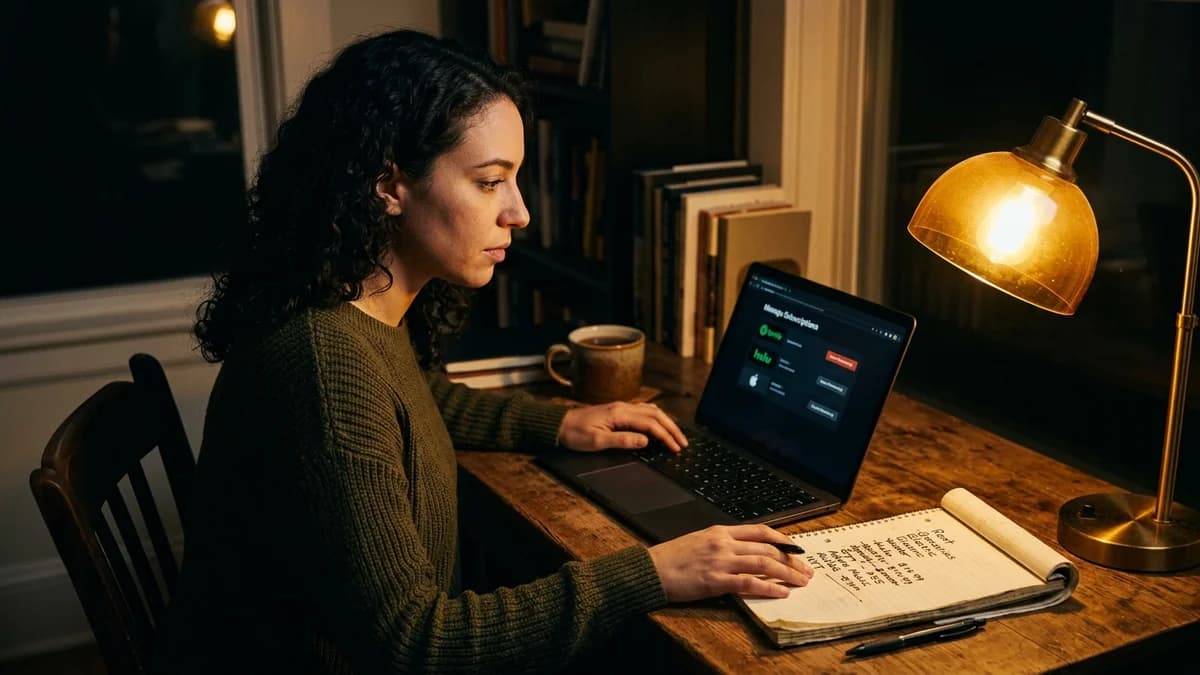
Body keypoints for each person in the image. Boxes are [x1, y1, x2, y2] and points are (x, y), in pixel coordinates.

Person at [153, 28, 813, 674]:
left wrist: (560, 423)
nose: (519, 213)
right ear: (388, 184)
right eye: (490, 181)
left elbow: (413, 398)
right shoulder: (323, 365)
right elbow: (415, 642)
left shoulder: (354, 314)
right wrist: (654, 572)